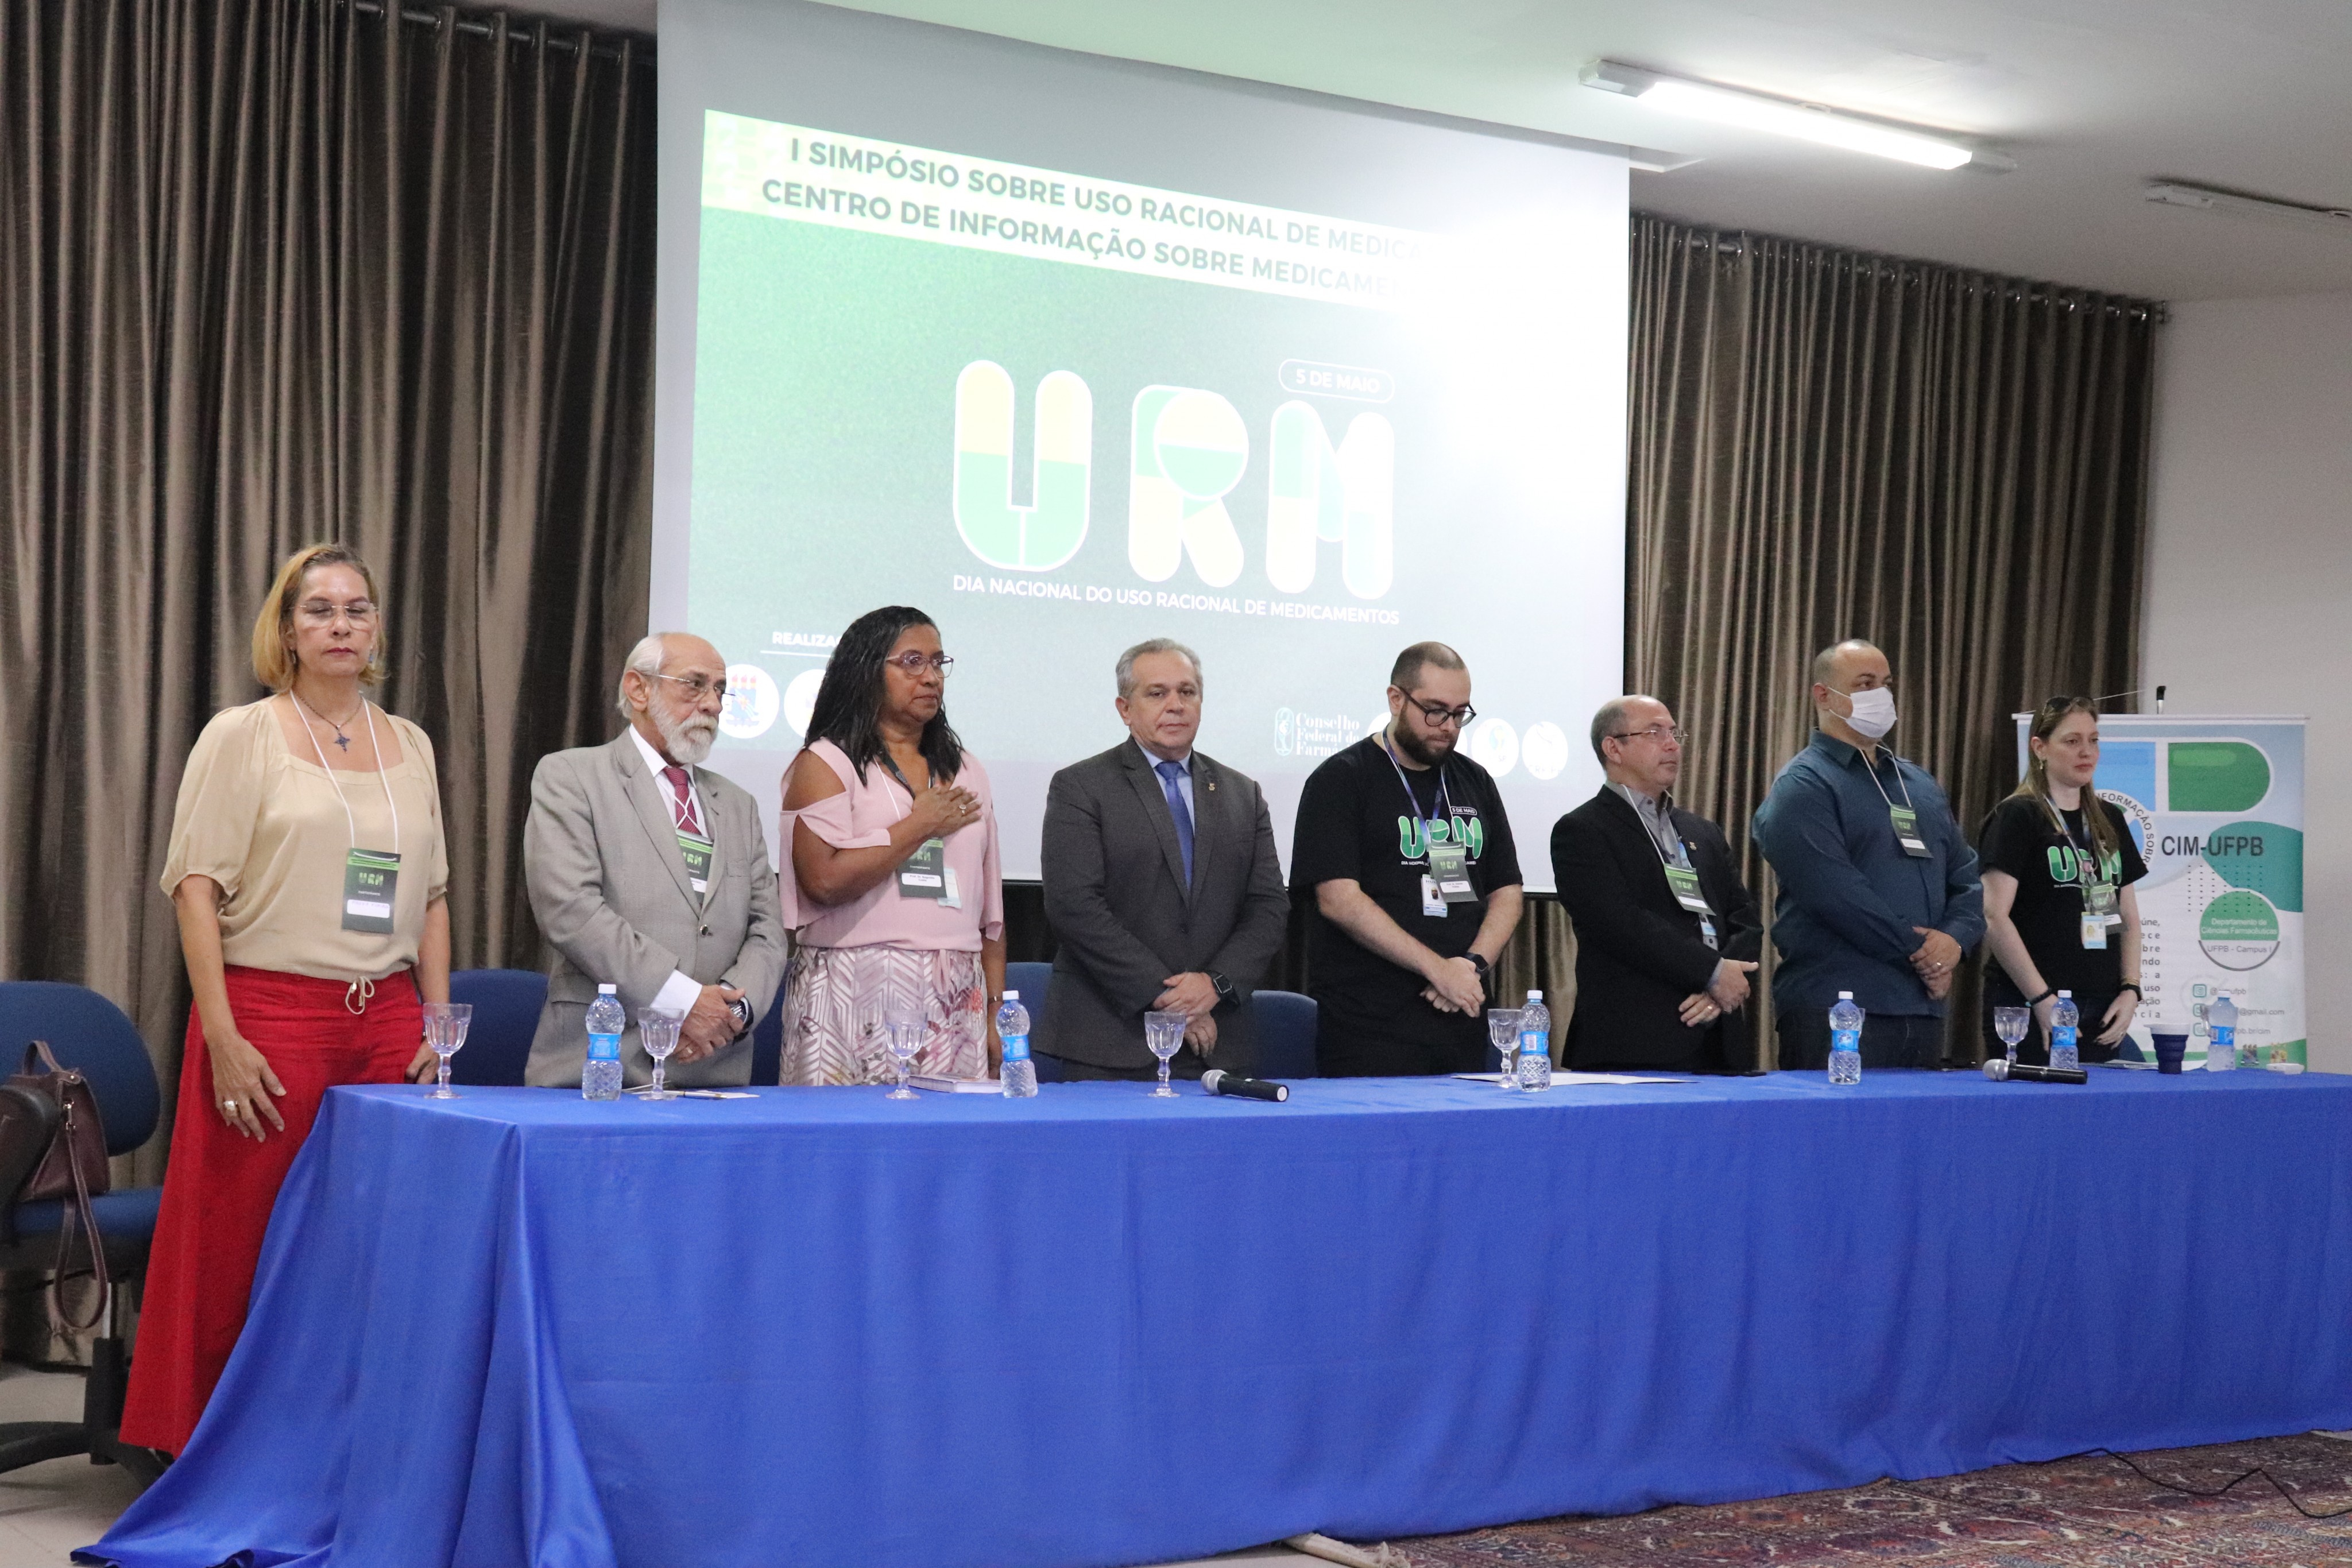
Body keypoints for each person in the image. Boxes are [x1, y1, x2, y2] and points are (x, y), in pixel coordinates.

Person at [123, 543, 450, 1456]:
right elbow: (195, 888)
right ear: (288, 629)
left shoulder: (411, 742)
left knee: (369, 1247)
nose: (342, 625)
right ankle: (210, 1453)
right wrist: (220, 1034)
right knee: (240, 1245)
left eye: (358, 608)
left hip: (388, 1020)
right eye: (320, 610)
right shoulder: (244, 733)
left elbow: (431, 896)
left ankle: (340, 1449)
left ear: (377, 626)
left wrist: (438, 1020)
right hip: (269, 1015)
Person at [521, 633, 786, 1087]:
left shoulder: (738, 804)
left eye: (720, 690)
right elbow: (570, 910)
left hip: (713, 1068)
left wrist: (730, 1012)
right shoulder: (571, 777)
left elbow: (767, 930)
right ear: (638, 688)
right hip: (601, 1066)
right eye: (695, 684)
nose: (713, 704)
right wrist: (682, 1002)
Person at [1037, 639, 1290, 1079]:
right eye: (1157, 693)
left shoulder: (1242, 794)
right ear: (1125, 708)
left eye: (1187, 692)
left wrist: (1214, 986)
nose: (1176, 705)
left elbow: (1268, 906)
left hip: (1218, 1042)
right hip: (1111, 1042)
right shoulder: (1081, 786)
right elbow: (1074, 906)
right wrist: (1174, 1001)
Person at [777, 607, 1005, 1083]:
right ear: (866, 670)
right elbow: (822, 882)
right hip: (850, 985)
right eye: (912, 662)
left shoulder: (968, 770)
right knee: (846, 1129)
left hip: (957, 991)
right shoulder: (827, 762)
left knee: (945, 1131)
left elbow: (991, 917)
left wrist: (994, 1012)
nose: (932, 677)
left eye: (938, 662)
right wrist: (918, 826)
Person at [1291, 642, 1523, 1075]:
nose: (1448, 727)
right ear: (1396, 699)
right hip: (1369, 1026)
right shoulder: (1341, 780)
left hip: (1461, 1014)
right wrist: (1437, 970)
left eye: (1459, 714)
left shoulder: (1475, 781)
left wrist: (1470, 966)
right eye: (1435, 711)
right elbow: (1338, 900)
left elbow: (1507, 892)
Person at [1751, 640, 1983, 1070]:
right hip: (1837, 1007)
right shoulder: (1804, 786)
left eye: (1886, 684)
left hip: (1922, 1007)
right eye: (1865, 684)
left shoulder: (1918, 783)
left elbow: (1966, 874)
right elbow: (1837, 896)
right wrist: (1925, 954)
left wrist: (1955, 941)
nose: (1881, 695)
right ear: (1823, 696)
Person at [1550, 697, 1763, 1073]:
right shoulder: (1582, 831)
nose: (1672, 745)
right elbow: (1622, 925)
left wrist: (1721, 985)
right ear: (1613, 748)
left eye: (1674, 733)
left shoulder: (1703, 831)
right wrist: (1713, 972)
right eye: (1654, 733)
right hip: (1636, 1043)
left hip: (1720, 1036)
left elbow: (1744, 916)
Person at [1978, 696, 2147, 1064]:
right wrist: (2041, 999)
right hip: (2031, 1003)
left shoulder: (2109, 818)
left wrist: (2131, 989)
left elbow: (2129, 918)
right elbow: (1994, 916)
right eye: (2072, 741)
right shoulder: (2017, 815)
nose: (2087, 752)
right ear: (2040, 748)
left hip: (2102, 1004)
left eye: (2094, 740)